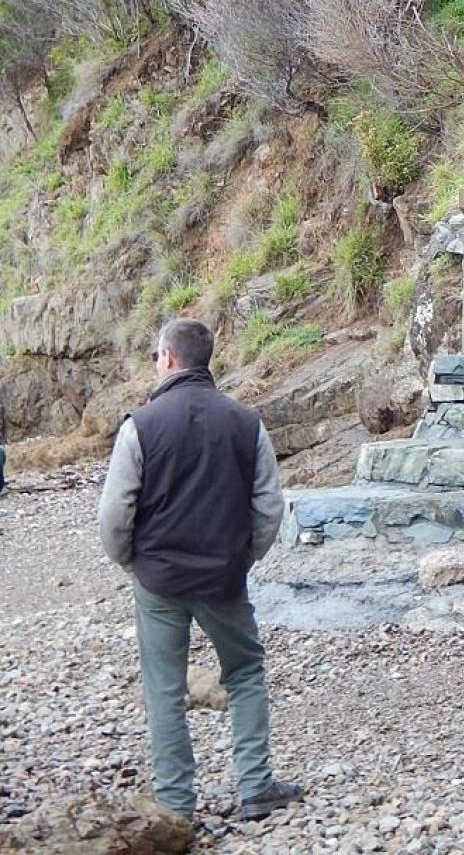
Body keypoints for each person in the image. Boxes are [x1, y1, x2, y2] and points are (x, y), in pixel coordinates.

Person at [98, 318, 301, 826]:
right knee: (246, 672)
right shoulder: (245, 421)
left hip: (159, 579)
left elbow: (115, 512)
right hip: (223, 579)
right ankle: (255, 786)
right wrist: (244, 557)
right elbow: (270, 506)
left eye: (154, 356)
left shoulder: (139, 425)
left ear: (167, 357)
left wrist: (130, 562)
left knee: (164, 687)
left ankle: (175, 803)